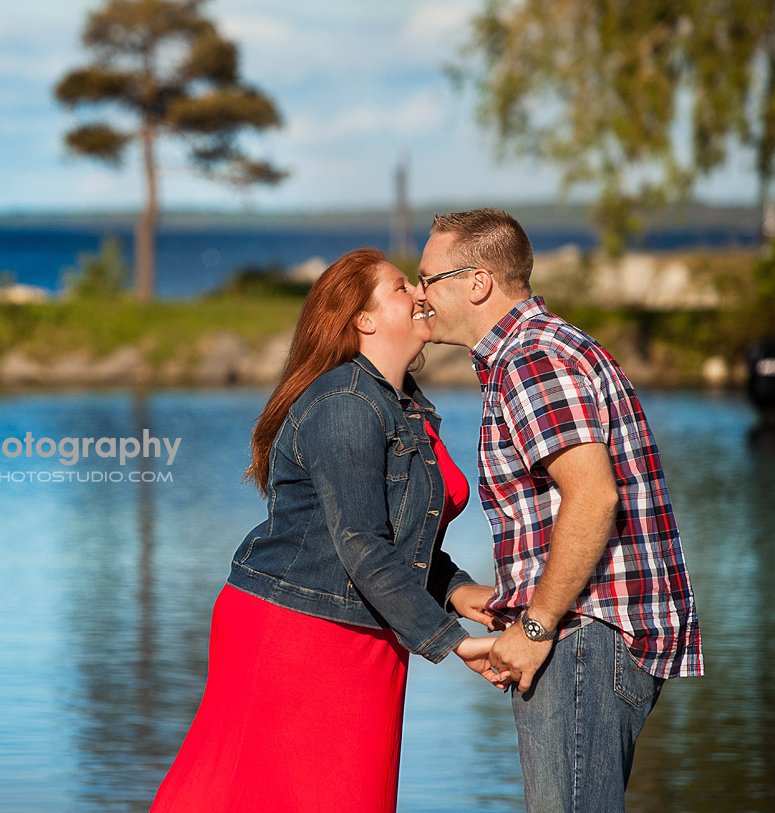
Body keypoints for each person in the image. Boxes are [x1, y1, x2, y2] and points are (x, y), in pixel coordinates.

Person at [151, 248, 505, 813]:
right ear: (362, 320)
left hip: (362, 627)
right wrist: (452, 641)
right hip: (299, 629)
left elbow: (395, 537)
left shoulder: (403, 406)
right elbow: (361, 544)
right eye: (398, 288)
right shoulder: (345, 403)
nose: (418, 294)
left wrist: (462, 594)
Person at [414, 209, 704, 812]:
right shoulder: (542, 348)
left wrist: (536, 625)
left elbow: (594, 496)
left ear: (476, 283)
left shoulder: (530, 359)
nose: (420, 296)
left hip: (580, 637)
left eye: (428, 278)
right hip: (588, 635)